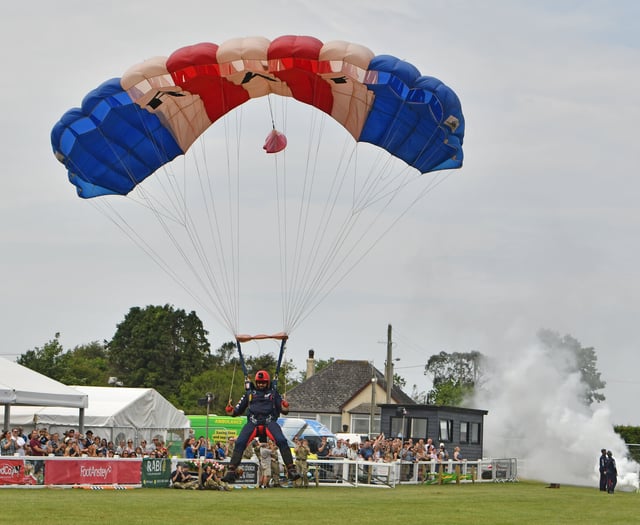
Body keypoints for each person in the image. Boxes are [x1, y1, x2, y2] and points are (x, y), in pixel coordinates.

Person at [222, 369, 300, 483]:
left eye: (263, 383)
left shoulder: (273, 394)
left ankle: (291, 469)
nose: (261, 385)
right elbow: (236, 411)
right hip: (253, 422)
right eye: (259, 383)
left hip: (269, 422)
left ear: (267, 383)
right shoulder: (249, 394)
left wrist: (285, 406)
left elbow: (284, 410)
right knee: (239, 442)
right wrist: (230, 410)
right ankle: (231, 471)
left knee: (281, 440)